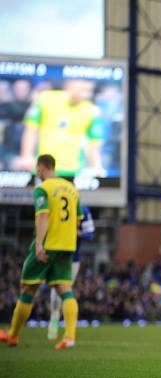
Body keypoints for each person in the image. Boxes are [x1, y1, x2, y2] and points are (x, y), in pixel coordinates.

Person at [0, 155, 82, 349]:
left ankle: (13, 335)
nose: (37, 174)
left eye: (38, 170)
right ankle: (70, 337)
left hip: (48, 244)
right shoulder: (72, 190)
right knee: (65, 290)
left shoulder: (42, 189)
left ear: (43, 167)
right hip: (67, 246)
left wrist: (38, 244)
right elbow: (77, 222)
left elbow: (43, 216)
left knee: (28, 289)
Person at [12, 80, 106, 177]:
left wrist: (97, 167)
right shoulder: (45, 99)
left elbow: (93, 144)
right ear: (69, 85)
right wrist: (26, 156)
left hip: (74, 169)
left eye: (89, 91)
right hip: (45, 167)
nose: (86, 95)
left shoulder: (92, 111)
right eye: (82, 90)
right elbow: (31, 129)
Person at [48, 206, 94, 340]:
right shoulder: (55, 206)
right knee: (57, 291)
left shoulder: (83, 210)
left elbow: (90, 233)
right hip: (56, 255)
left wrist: (78, 233)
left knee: (65, 291)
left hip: (73, 258)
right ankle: (54, 319)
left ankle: (68, 329)